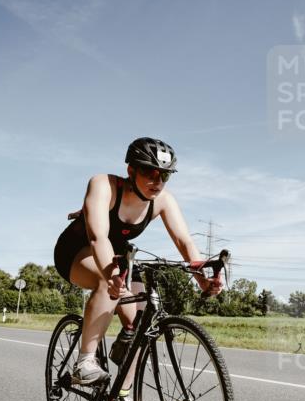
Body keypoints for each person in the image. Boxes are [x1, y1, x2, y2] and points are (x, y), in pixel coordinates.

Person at [53, 137, 222, 385]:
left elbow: (184, 242)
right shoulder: (104, 184)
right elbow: (99, 238)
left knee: (142, 324)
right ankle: (85, 362)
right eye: (150, 172)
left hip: (121, 259)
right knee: (105, 278)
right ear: (131, 170)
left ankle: (122, 394)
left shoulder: (163, 201)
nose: (158, 182)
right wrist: (111, 276)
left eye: (165, 176)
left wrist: (202, 279)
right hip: (77, 251)